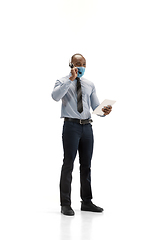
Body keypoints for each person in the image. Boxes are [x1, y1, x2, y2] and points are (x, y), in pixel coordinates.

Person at [51, 53, 112, 216]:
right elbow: (55, 97)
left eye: (83, 63)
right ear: (71, 64)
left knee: (86, 165)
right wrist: (70, 79)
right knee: (68, 163)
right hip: (71, 126)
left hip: (87, 128)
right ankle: (65, 204)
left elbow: (95, 106)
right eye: (78, 63)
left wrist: (103, 111)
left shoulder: (89, 84)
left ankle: (86, 201)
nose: (81, 66)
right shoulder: (62, 81)